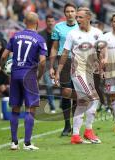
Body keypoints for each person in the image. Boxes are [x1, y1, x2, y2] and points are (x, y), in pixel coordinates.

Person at [54, 7, 104, 144]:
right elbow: (65, 53)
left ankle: (75, 135)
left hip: (90, 72)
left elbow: (102, 51)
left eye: (80, 17)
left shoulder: (98, 33)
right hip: (77, 72)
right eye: (77, 17)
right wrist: (58, 71)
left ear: (88, 18)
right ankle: (88, 131)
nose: (78, 19)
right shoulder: (72, 34)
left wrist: (102, 64)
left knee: (82, 102)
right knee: (93, 98)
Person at [1, 12, 46, 150]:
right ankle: (27, 143)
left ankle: (14, 143)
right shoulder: (39, 39)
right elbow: (43, 62)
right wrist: (39, 76)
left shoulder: (15, 36)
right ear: (37, 22)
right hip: (29, 75)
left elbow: (4, 56)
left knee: (15, 108)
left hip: (15, 74)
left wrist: (4, 68)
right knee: (30, 109)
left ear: (25, 21)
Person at [50, 3, 78, 136]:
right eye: (67, 11)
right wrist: (51, 66)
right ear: (64, 13)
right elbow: (54, 47)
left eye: (72, 11)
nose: (70, 13)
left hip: (79, 63)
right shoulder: (58, 28)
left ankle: (76, 126)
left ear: (76, 12)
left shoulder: (82, 27)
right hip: (64, 63)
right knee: (66, 94)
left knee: (78, 95)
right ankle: (67, 125)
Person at [39, 14, 56, 113]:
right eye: (49, 21)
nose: (50, 23)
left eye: (52, 21)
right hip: (46, 61)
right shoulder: (41, 34)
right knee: (49, 85)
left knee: (63, 84)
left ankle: (64, 104)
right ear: (46, 22)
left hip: (58, 61)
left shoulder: (57, 33)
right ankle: (52, 106)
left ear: (54, 22)